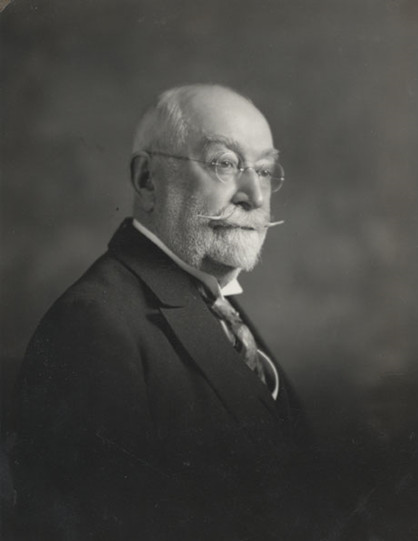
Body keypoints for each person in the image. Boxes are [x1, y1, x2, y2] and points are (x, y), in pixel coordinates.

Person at [11, 84, 328, 540]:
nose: (255, 196)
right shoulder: (95, 324)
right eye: (224, 164)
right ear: (147, 181)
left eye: (265, 169)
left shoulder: (216, 300)